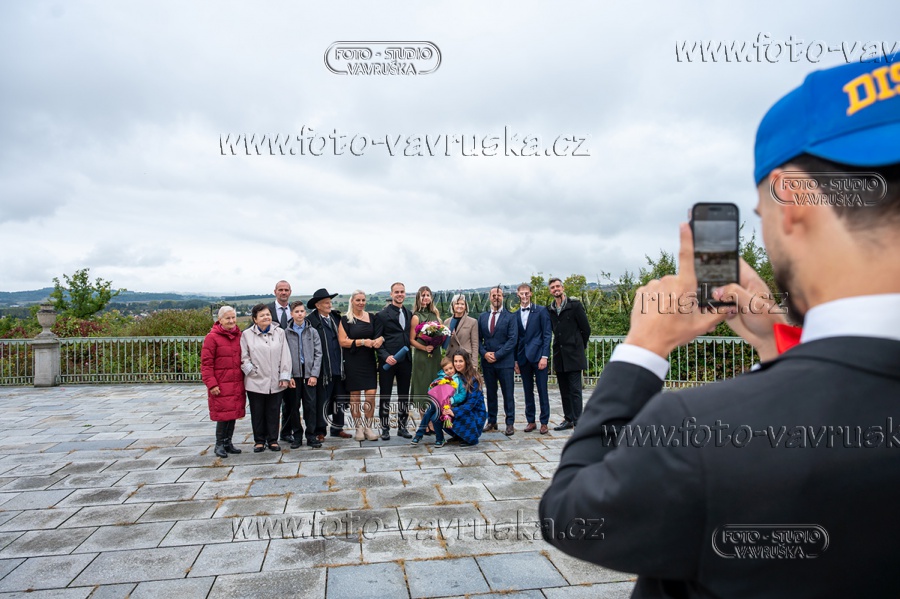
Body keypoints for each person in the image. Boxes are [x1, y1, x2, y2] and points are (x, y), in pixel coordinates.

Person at [539, 54, 900, 597]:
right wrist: (776, 340)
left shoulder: (701, 433)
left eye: (761, 215)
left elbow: (571, 514)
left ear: (790, 202)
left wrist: (643, 346)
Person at [240, 304, 291, 452]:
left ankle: (273, 440)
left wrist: (284, 376)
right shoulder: (247, 335)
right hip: (255, 380)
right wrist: (252, 371)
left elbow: (285, 355)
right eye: (262, 315)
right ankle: (259, 441)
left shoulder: (280, 332)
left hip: (275, 380)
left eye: (268, 314)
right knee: (257, 412)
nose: (266, 317)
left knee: (274, 411)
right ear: (255, 319)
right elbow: (244, 357)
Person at [201, 306, 245, 458]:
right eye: (228, 318)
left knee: (232, 414)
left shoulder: (239, 336)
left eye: (233, 317)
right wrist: (212, 384)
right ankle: (219, 444)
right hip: (221, 383)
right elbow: (206, 364)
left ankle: (228, 442)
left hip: (236, 382)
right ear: (220, 320)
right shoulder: (212, 338)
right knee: (223, 415)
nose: (231, 321)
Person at [546, 277, 591, 430]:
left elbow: (586, 329)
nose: (556, 289)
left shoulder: (575, 306)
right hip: (559, 355)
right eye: (553, 287)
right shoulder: (550, 309)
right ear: (550, 291)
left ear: (563, 288)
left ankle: (579, 421)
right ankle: (568, 419)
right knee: (564, 390)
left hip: (574, 354)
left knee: (575, 390)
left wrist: (579, 345)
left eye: (557, 286)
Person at [306, 288, 350, 440]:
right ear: (317, 305)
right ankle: (320, 430)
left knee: (339, 399)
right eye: (326, 303)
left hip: (339, 365)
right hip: (323, 368)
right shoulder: (310, 321)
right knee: (322, 400)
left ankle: (338, 428)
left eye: (330, 302)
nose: (329, 305)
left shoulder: (336, 318)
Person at [338, 290, 382, 442]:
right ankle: (358, 428)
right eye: (358, 300)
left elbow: (379, 334)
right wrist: (362, 342)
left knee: (371, 395)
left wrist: (380, 339)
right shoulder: (345, 320)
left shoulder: (372, 317)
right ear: (352, 301)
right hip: (352, 361)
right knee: (355, 396)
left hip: (369, 360)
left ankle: (368, 427)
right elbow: (342, 341)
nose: (361, 303)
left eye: (363, 300)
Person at [373, 282, 414, 440]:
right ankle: (385, 428)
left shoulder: (409, 313)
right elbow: (377, 340)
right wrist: (385, 356)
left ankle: (402, 427)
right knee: (385, 395)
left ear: (405, 293)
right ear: (391, 294)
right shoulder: (382, 315)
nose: (399, 294)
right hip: (388, 362)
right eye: (396, 292)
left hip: (406, 361)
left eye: (402, 291)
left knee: (404, 395)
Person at [283, 301, 323, 449]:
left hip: (309, 374)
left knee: (310, 406)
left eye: (302, 311)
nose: (299, 314)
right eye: (296, 312)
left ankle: (311, 435)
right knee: (294, 407)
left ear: (305, 313)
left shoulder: (312, 332)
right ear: (291, 314)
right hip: (294, 374)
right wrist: (289, 376)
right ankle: (297, 436)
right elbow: (283, 355)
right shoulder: (286, 333)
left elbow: (318, 354)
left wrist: (314, 374)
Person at [478, 286, 517, 435]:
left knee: (508, 393)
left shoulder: (511, 317)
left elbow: (512, 340)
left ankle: (510, 423)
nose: (496, 297)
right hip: (487, 362)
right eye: (493, 295)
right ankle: (492, 421)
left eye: (499, 295)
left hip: (505, 362)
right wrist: (484, 353)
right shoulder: (482, 317)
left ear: (503, 297)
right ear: (489, 297)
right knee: (491, 393)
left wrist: (497, 355)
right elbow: (477, 339)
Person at [514, 283, 552, 435]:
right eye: (522, 293)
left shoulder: (541, 311)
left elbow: (547, 335)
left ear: (531, 294)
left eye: (527, 293)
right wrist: (515, 360)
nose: (524, 296)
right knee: (527, 391)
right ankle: (531, 421)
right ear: (517, 294)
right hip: (523, 358)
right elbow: (515, 339)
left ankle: (544, 422)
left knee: (542, 390)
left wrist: (544, 356)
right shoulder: (515, 314)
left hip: (538, 357)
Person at [410, 356, 466, 448]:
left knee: (433, 415)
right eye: (446, 370)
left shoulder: (458, 380)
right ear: (443, 370)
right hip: (439, 404)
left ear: (454, 367)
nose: (449, 371)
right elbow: (431, 389)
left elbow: (462, 394)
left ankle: (424, 435)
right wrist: (435, 387)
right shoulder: (440, 379)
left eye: (451, 368)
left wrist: (452, 400)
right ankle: (424, 435)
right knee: (431, 409)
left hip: (452, 405)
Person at [266, 280, 295, 446]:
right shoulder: (266, 310)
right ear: (275, 291)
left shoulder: (295, 309)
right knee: (272, 403)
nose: (283, 292)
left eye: (286, 290)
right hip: (271, 362)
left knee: (291, 402)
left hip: (292, 361)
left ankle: (286, 432)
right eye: (280, 290)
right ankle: (269, 436)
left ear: (290, 292)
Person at [410, 286, 442, 432]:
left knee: (434, 386)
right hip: (422, 356)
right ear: (418, 298)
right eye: (423, 295)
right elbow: (412, 340)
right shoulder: (416, 317)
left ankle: (432, 420)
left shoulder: (435, 315)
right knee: (423, 387)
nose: (426, 298)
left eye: (428, 295)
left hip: (435, 355)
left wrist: (438, 340)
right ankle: (425, 422)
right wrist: (424, 348)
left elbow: (440, 333)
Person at [441, 349, 487, 447]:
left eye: (460, 361)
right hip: (460, 405)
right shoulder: (454, 375)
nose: (458, 364)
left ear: (466, 361)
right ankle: (458, 435)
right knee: (441, 413)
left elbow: (471, 403)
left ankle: (471, 438)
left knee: (461, 414)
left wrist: (454, 411)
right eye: (455, 361)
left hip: (475, 411)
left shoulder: (474, 378)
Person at [442, 293, 479, 364]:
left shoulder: (472, 322)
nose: (460, 306)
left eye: (462, 304)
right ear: (453, 306)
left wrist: (474, 364)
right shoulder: (447, 322)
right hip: (450, 358)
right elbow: (443, 343)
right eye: (457, 304)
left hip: (465, 358)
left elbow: (475, 344)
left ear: (465, 306)